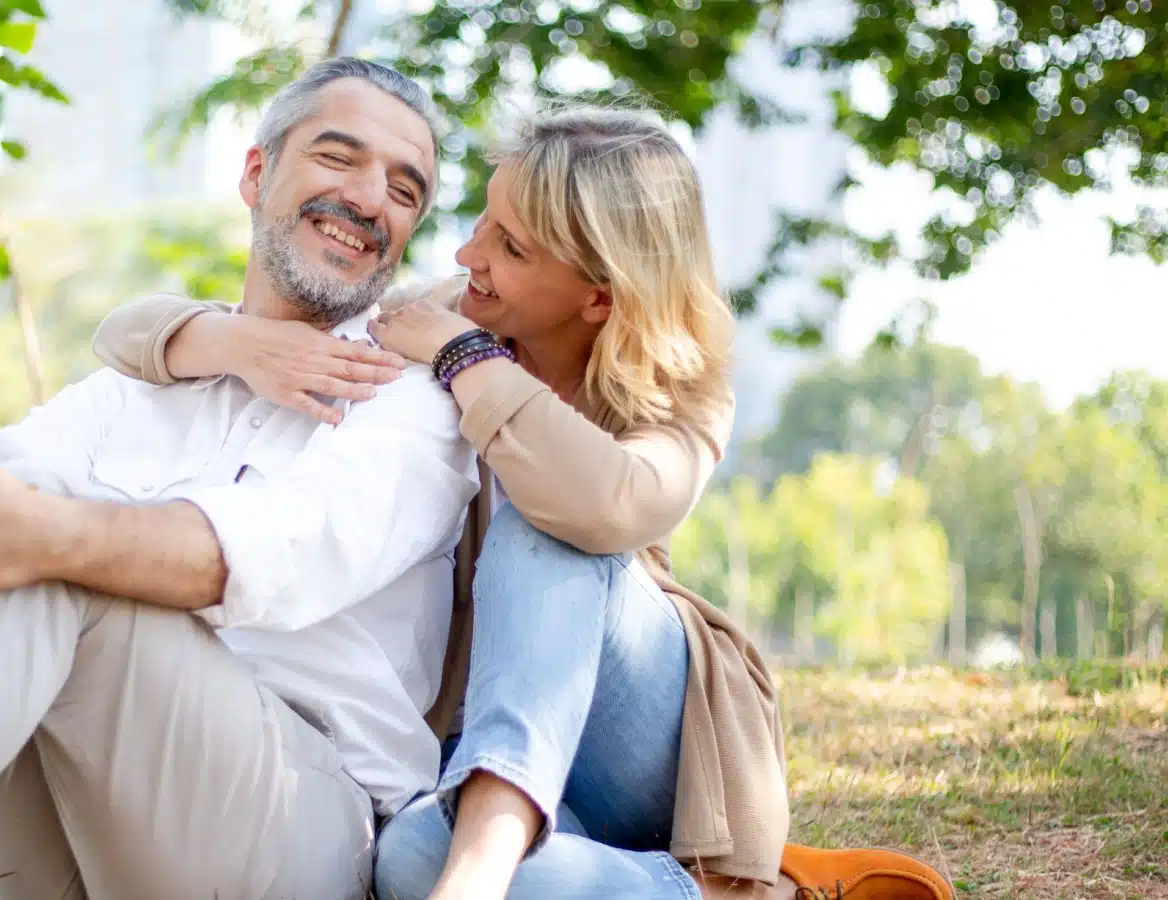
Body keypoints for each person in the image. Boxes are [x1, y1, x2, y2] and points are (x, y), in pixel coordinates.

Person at [91, 106, 957, 899]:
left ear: (600, 295)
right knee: (407, 860)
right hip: (484, 767)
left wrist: (471, 361)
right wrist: (233, 340)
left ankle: (481, 870)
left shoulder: (681, 382)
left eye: (511, 246)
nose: (468, 256)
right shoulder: (441, 314)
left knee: (545, 536)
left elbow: (610, 505)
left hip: (644, 745)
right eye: (480, 221)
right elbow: (120, 332)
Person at [0, 58, 480, 900]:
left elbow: (282, 551)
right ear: (257, 173)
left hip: (290, 825)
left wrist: (46, 536)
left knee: (50, 550)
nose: (372, 200)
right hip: (49, 839)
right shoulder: (145, 382)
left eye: (405, 190)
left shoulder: (414, 397)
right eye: (338, 159)